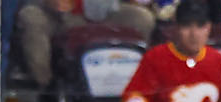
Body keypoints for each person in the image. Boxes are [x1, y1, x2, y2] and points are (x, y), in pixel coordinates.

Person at [14, 0, 156, 90]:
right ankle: (45, 86)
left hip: (100, 10)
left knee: (142, 18)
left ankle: (135, 86)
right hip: (51, 12)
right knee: (31, 17)